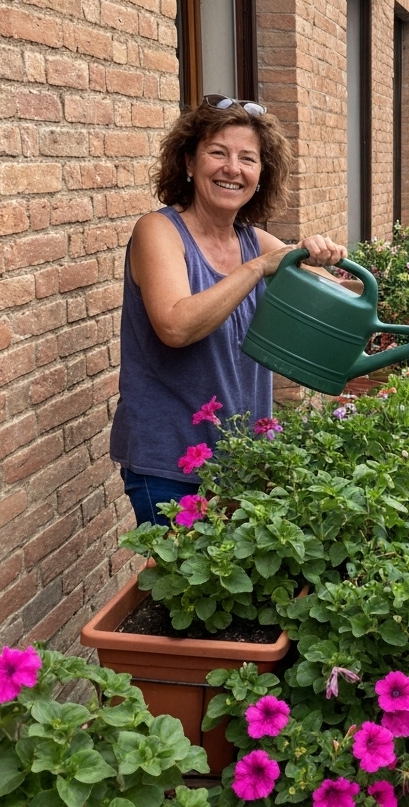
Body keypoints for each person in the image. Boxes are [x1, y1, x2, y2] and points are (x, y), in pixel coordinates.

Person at [110, 95, 348, 525]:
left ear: (261, 175)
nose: (232, 168)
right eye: (217, 152)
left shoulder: (254, 240)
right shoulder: (159, 231)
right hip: (171, 462)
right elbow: (176, 326)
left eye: (247, 159)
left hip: (244, 459)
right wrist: (258, 269)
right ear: (188, 162)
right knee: (191, 588)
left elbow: (343, 312)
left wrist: (325, 260)